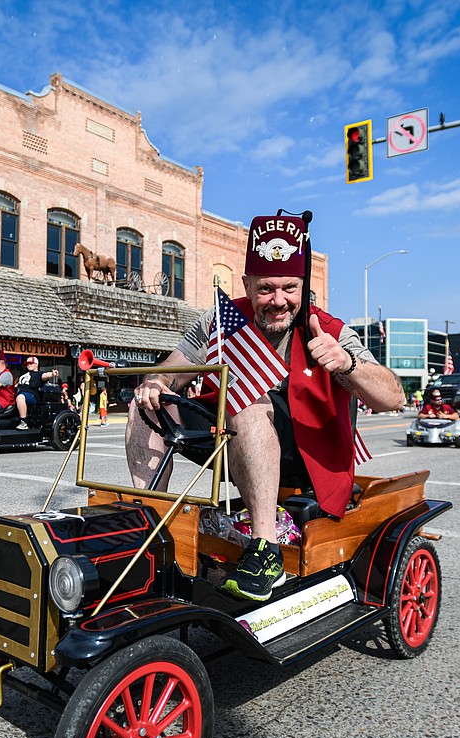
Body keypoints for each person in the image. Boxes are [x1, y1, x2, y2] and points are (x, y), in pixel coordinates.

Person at [126, 214, 404, 602]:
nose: (278, 301)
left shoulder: (331, 330)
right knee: (145, 403)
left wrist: (347, 364)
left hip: (305, 454)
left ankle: (265, 550)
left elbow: (394, 397)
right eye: (266, 289)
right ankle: (149, 517)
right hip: (226, 443)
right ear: (246, 285)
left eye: (289, 287)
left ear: (303, 286)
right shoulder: (220, 319)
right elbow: (173, 370)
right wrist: (157, 383)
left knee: (249, 408)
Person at [15, 356, 59, 430]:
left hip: (30, 395)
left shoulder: (39, 374)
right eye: (27, 364)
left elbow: (45, 376)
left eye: (31, 363)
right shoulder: (23, 375)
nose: (29, 365)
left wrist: (52, 373)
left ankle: (24, 422)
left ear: (36, 364)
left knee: (20, 397)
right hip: (18, 392)